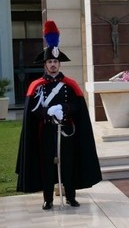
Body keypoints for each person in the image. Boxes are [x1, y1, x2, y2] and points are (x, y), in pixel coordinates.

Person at [16, 21, 102, 210]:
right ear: (45, 64)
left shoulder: (70, 84)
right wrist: (46, 112)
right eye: (50, 62)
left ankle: (70, 196)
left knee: (68, 164)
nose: (53, 65)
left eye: (55, 62)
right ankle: (48, 198)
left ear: (59, 63)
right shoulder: (36, 86)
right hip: (46, 133)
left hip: (66, 132)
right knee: (48, 165)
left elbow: (78, 108)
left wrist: (65, 108)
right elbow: (32, 111)